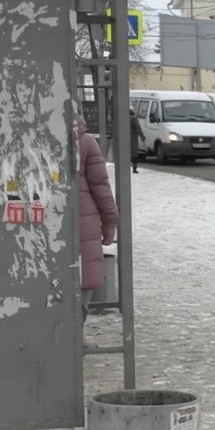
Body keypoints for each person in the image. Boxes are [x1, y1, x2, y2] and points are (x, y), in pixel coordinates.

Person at [78, 114, 118, 321]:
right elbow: (101, 186)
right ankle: (77, 331)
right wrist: (110, 222)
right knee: (82, 281)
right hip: (83, 223)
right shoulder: (85, 142)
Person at [130, 107, 146, 173]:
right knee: (134, 154)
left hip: (125, 140)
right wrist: (143, 137)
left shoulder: (124, 120)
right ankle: (134, 168)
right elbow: (138, 129)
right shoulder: (134, 119)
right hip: (133, 139)